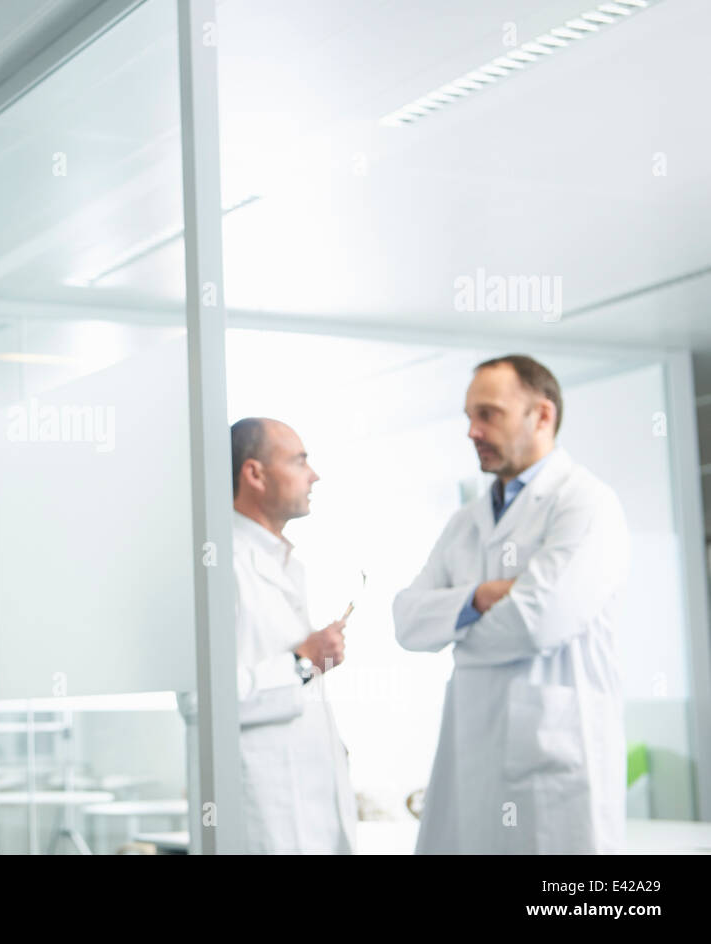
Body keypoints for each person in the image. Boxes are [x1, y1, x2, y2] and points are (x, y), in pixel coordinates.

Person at [392, 354, 629, 854]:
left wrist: (453, 626)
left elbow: (534, 624)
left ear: (542, 415)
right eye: (468, 416)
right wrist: (478, 597)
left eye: (488, 414)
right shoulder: (464, 522)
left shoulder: (585, 503)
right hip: (470, 756)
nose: (472, 431)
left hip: (551, 764)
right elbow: (408, 623)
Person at [231, 417, 356, 853]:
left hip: (309, 808)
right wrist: (303, 661)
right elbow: (202, 701)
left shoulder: (283, 563)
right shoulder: (220, 563)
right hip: (263, 818)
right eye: (300, 461)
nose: (314, 475)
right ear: (254, 474)